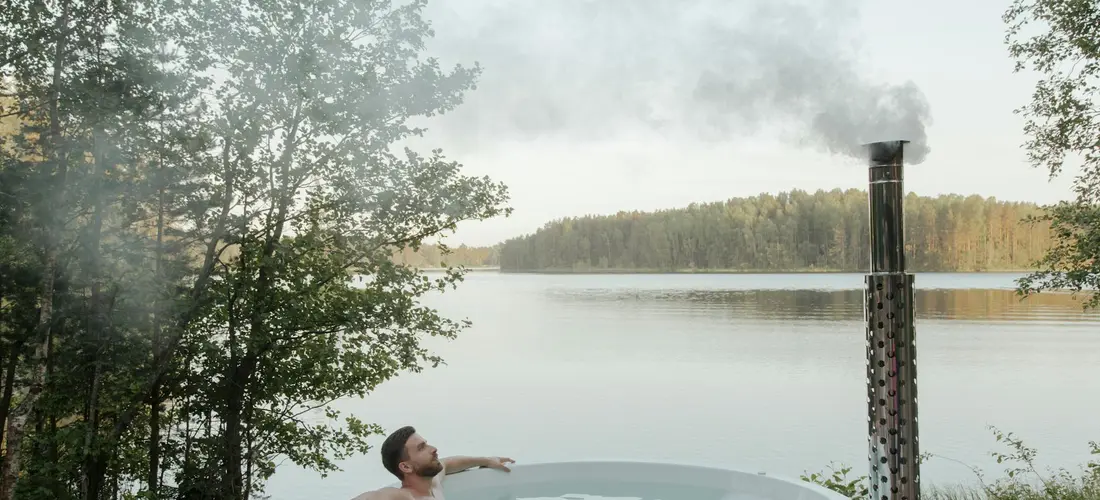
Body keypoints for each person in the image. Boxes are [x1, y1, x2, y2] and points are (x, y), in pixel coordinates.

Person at [351, 425, 514, 500]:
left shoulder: (433, 486)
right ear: (406, 467)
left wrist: (486, 460)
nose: (433, 449)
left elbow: (448, 463)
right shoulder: (402, 497)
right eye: (422, 448)